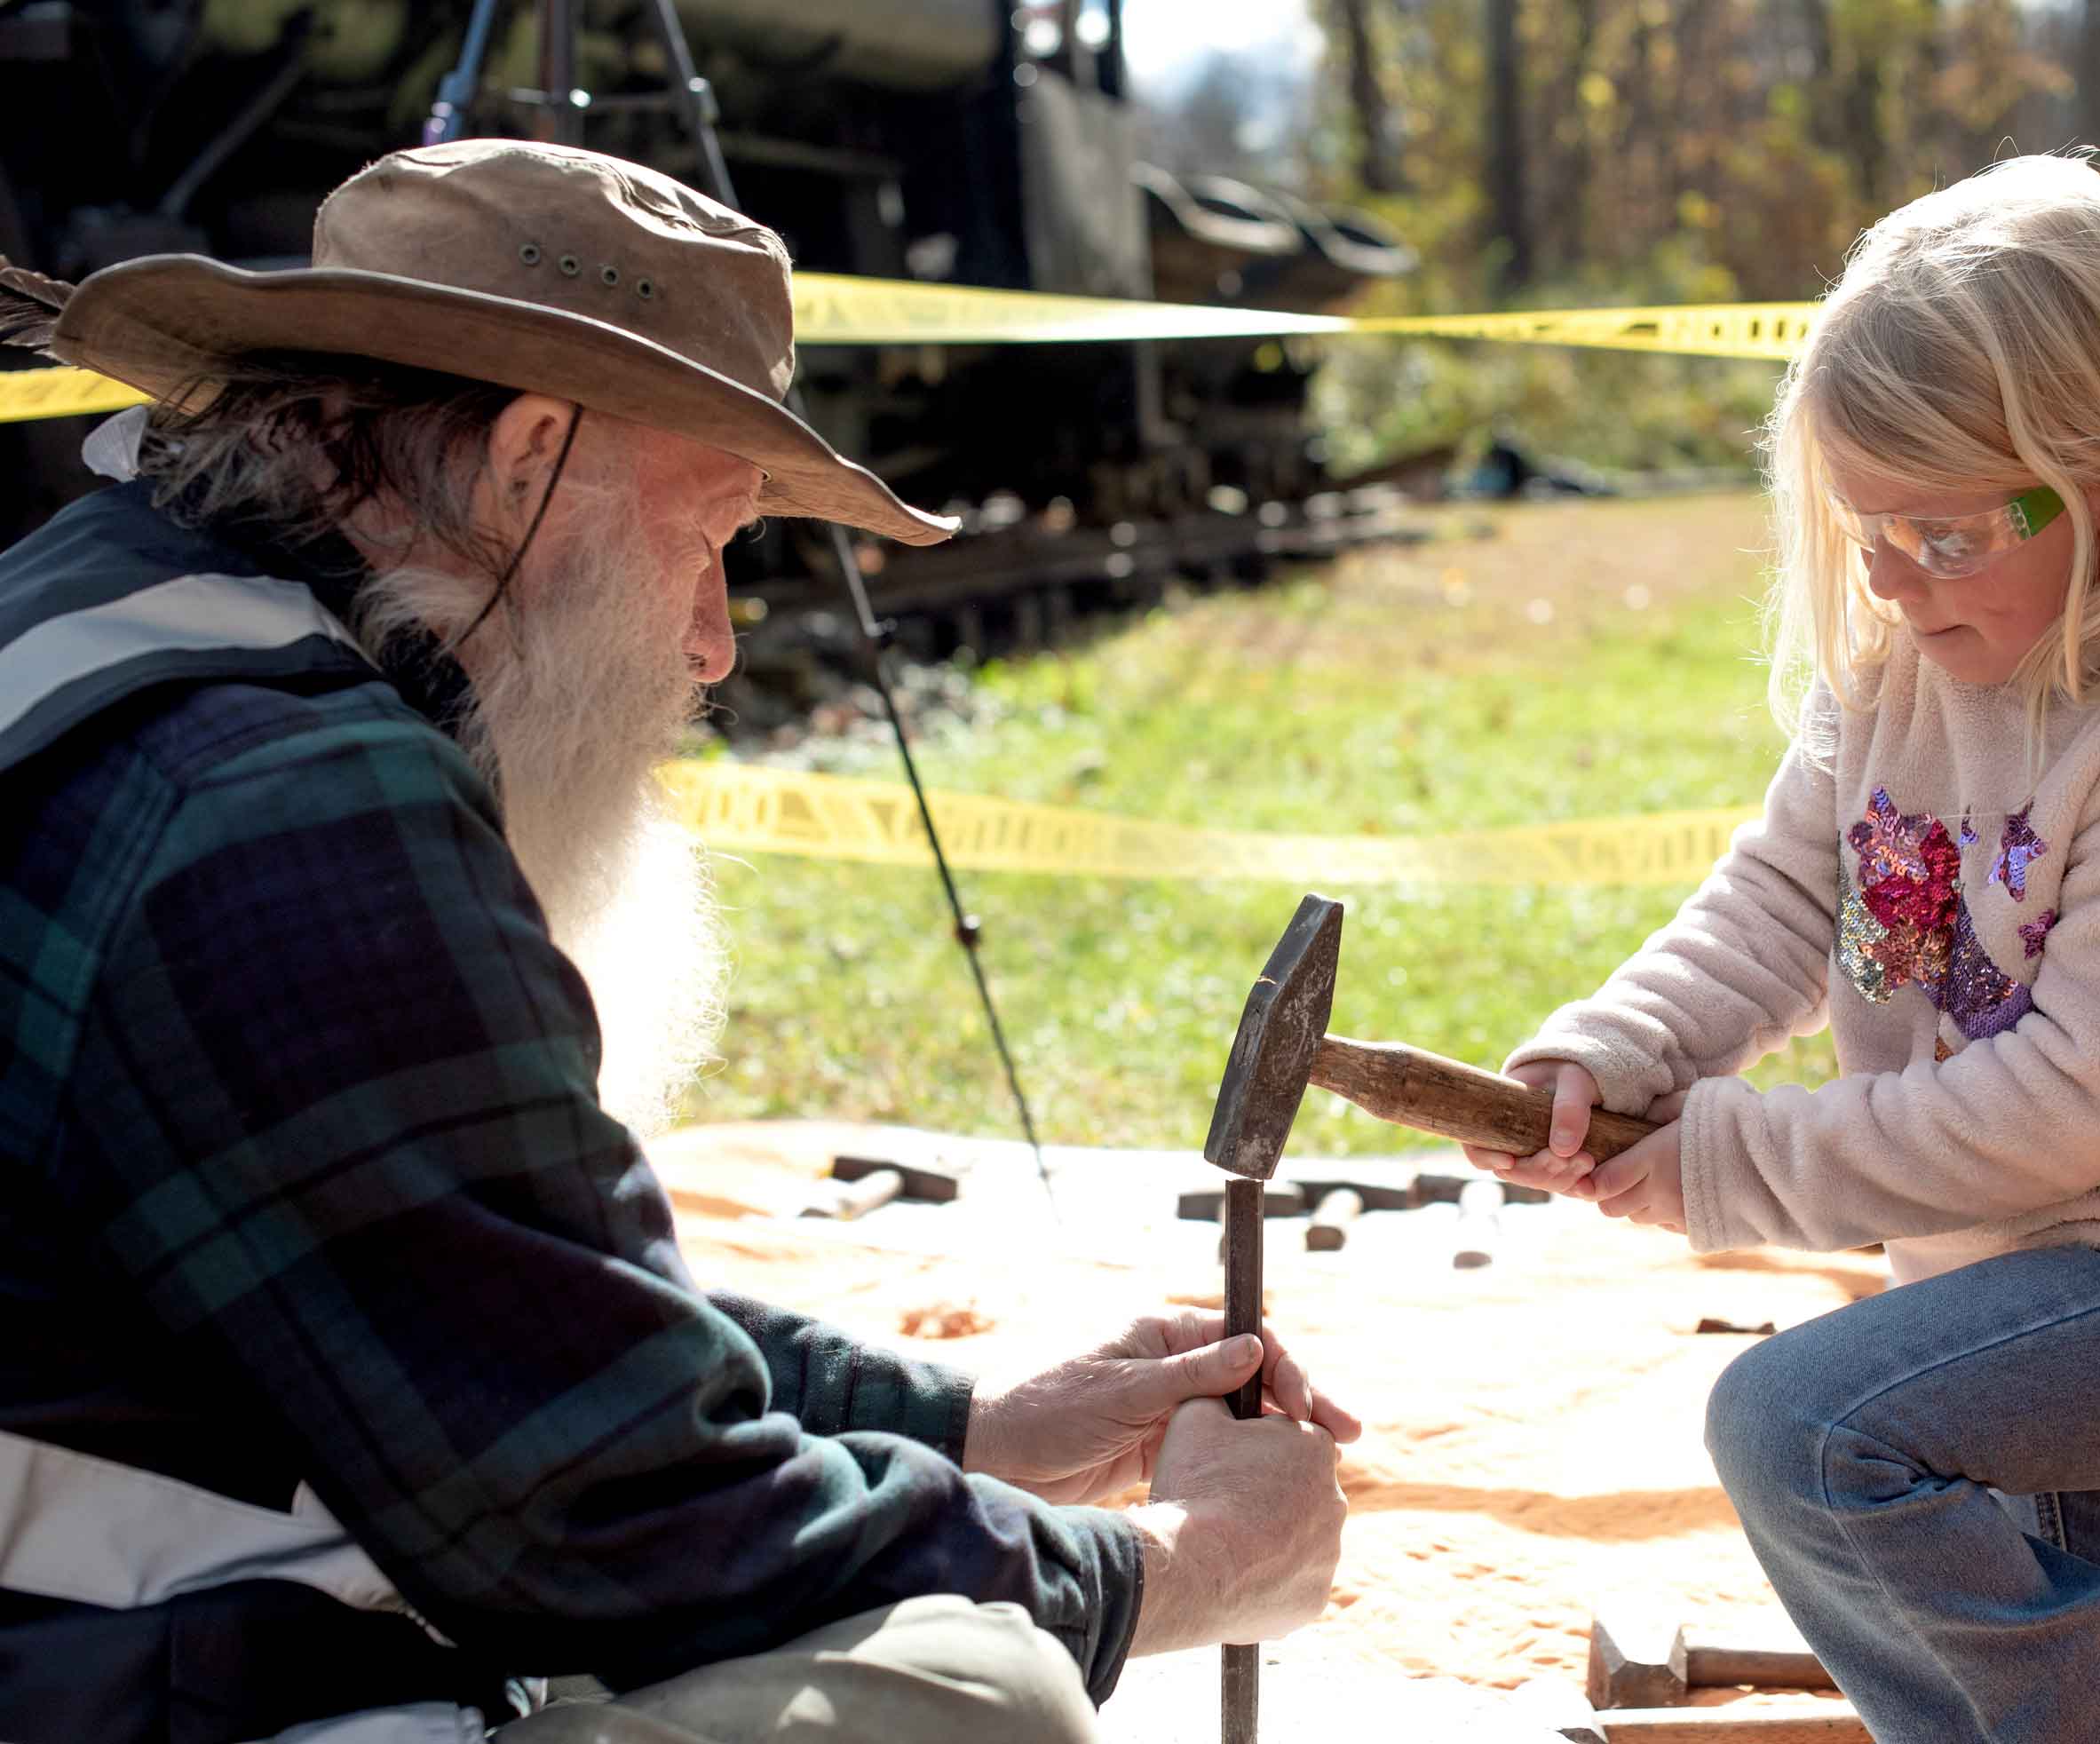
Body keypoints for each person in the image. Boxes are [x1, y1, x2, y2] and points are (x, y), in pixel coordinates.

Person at [0, 139, 1356, 1744]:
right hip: (96, 1680)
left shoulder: (101, 611)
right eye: (706, 536)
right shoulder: (287, 806)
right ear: (524, 458)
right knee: (973, 1701)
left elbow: (470, 1269)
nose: (713, 641)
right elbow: (605, 1522)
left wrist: (971, 1418)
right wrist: (1179, 1568)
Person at [1463, 154, 2100, 1741]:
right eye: (1865, 533)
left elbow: (2070, 1105)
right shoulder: (1911, 663)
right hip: (2013, 1257)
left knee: (1806, 1429)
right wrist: (1621, 1048)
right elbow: (1777, 895)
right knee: (2043, 1689)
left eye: (1944, 533)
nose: (1894, 581)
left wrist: (1729, 1162)